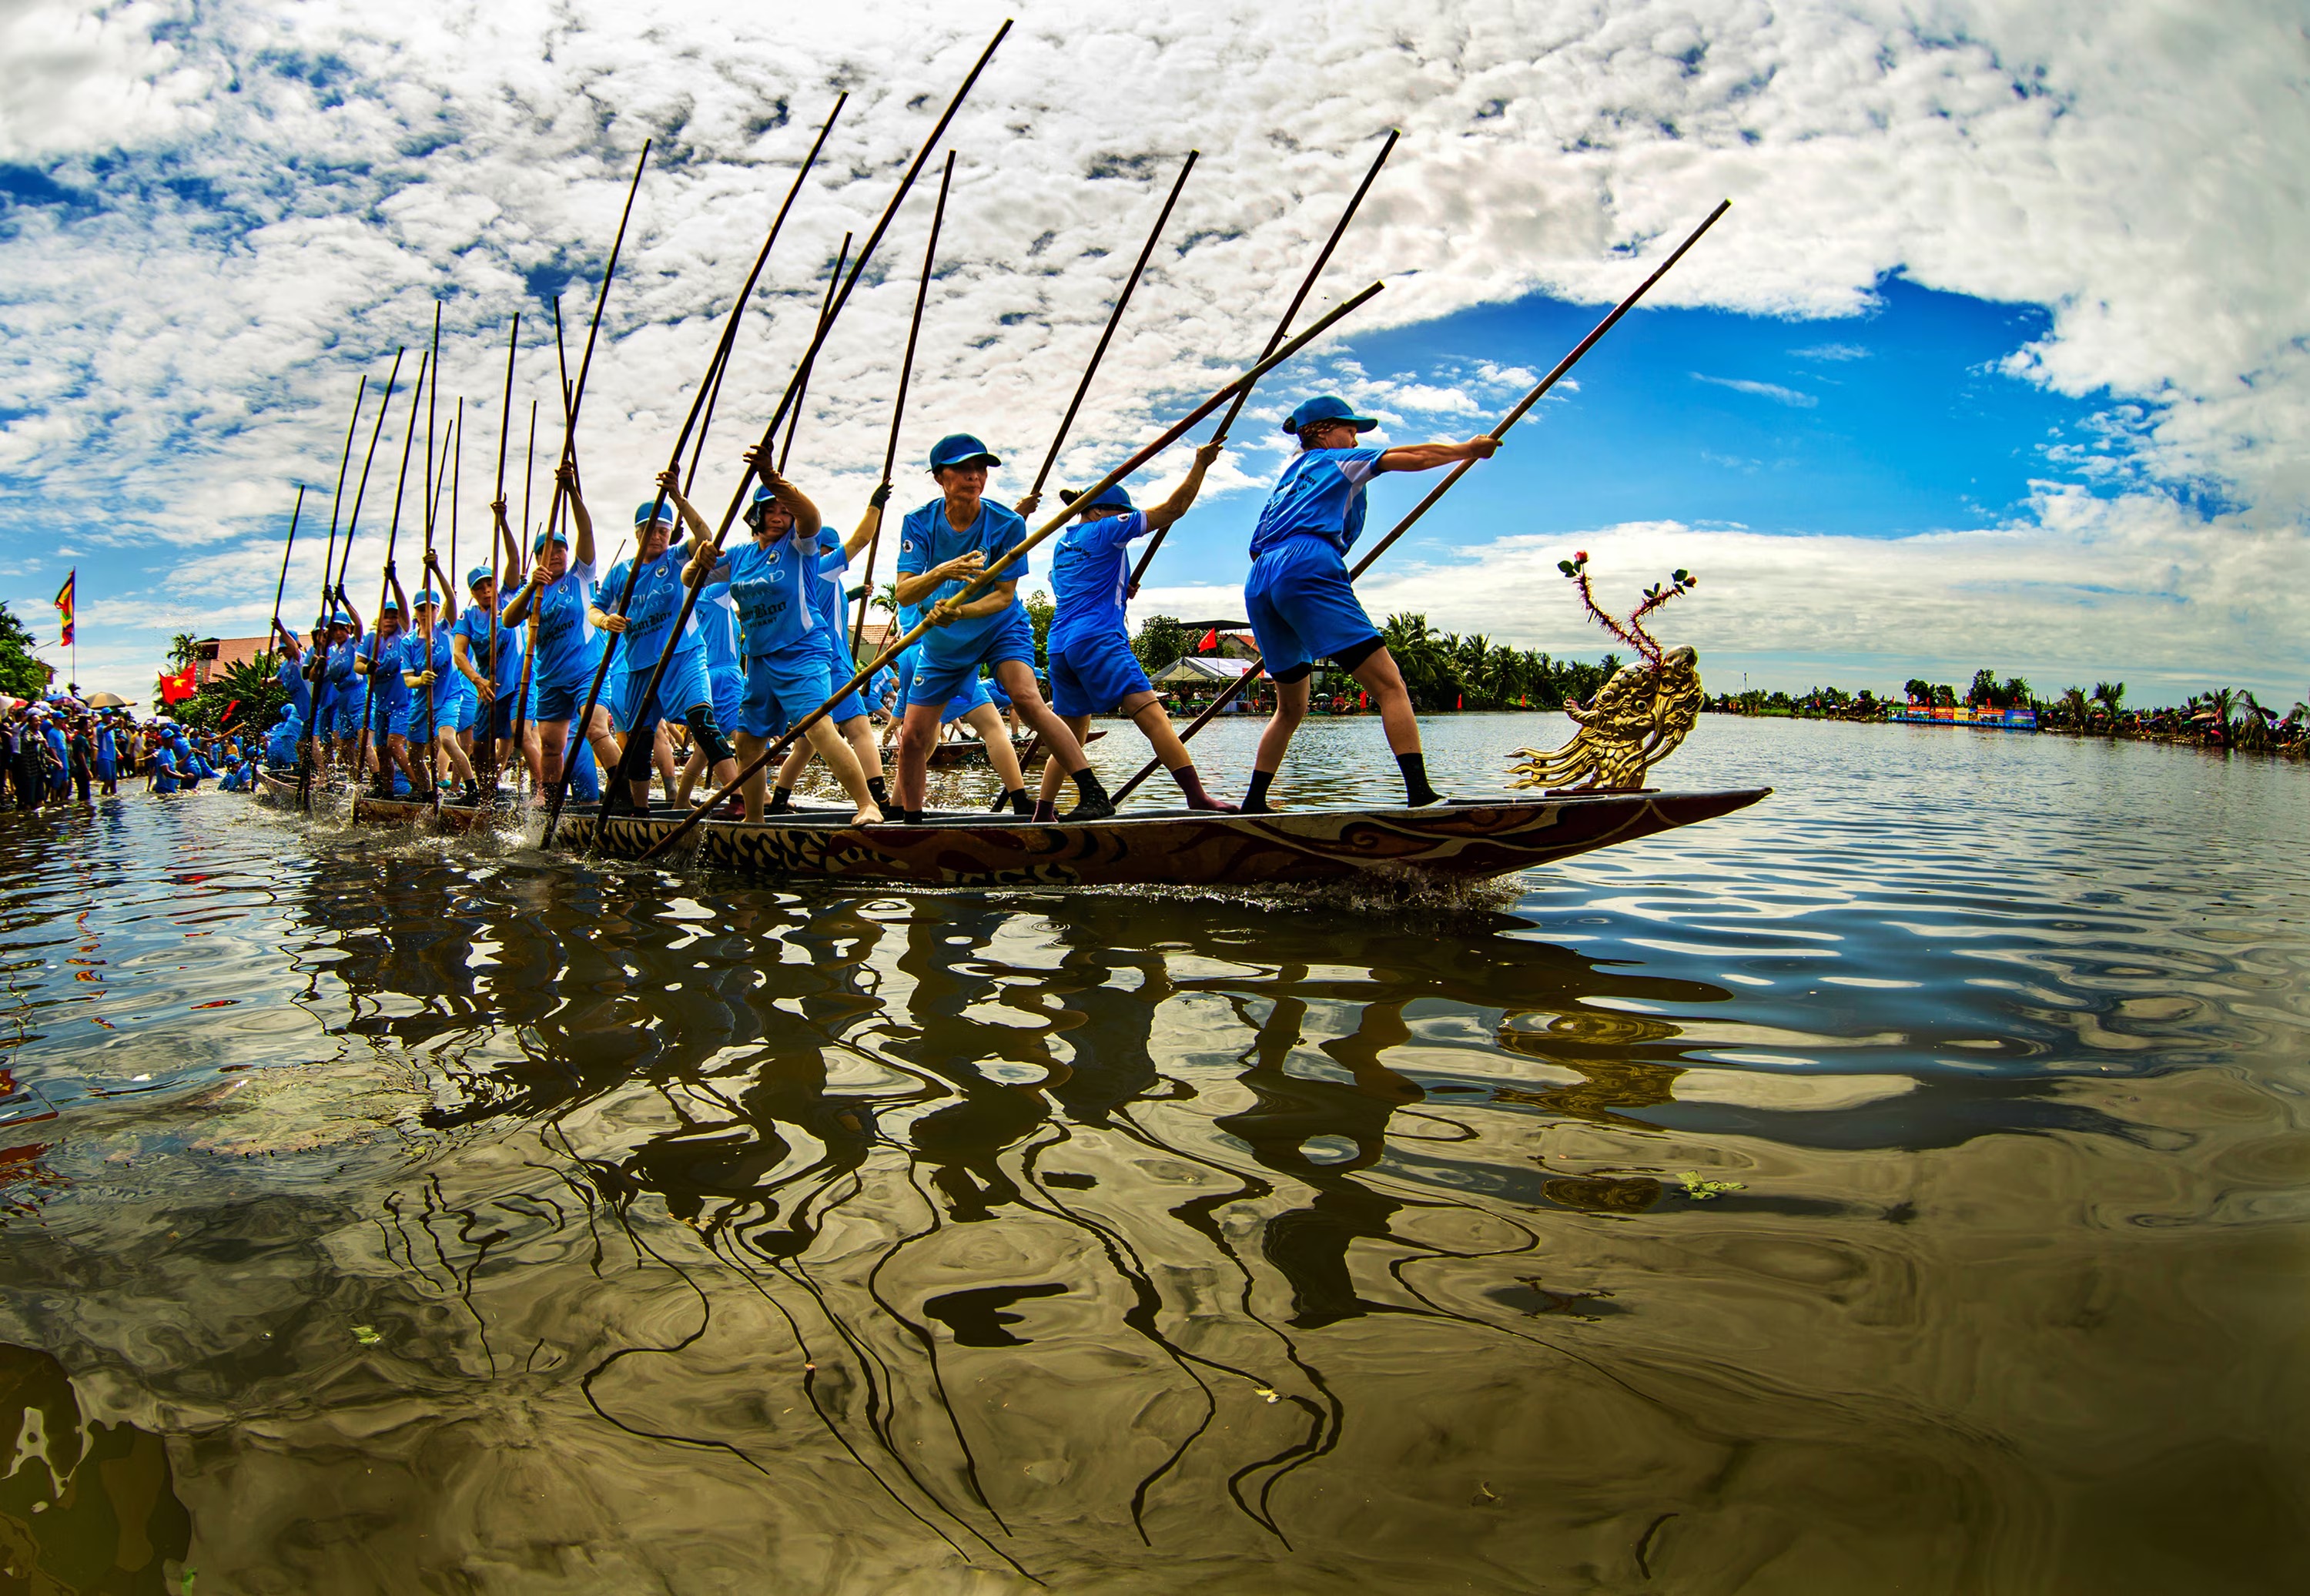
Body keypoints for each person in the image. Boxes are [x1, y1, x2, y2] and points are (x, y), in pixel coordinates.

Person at [1237, 396, 1498, 811]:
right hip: (1306, 562)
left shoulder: (1289, 474)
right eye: (1350, 429)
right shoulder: (1337, 459)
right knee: (1389, 685)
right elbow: (1410, 457)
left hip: (1260, 577)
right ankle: (1420, 795)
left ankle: (1254, 802)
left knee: (1291, 708)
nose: (1355, 438)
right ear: (1323, 431)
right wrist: (1468, 451)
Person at [894, 433, 1111, 822]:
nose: (974, 476)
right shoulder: (918, 523)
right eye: (963, 469)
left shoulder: (1008, 523)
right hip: (944, 640)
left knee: (1025, 697)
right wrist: (943, 571)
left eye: (980, 469)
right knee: (913, 737)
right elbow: (906, 592)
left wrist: (961, 612)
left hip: (999, 627)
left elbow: (1004, 597)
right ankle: (911, 823)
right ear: (940, 478)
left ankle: (1094, 793)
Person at [1033, 444, 1231, 820]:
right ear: (1099, 512)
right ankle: (1197, 797)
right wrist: (1200, 465)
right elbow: (1173, 511)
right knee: (1152, 715)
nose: (1124, 519)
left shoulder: (1063, 544)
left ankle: (1042, 812)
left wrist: (1121, 591)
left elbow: (1081, 585)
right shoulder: (1106, 529)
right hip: (1099, 639)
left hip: (1061, 645)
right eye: (1119, 512)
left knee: (1070, 735)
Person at [685, 464, 882, 825]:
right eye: (770, 509)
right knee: (747, 742)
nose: (779, 517)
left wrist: (772, 479)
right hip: (759, 658)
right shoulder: (741, 555)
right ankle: (755, 821)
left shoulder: (800, 546)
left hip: (803, 649)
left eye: (784, 511)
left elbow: (812, 516)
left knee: (816, 726)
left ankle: (868, 804)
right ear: (756, 515)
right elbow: (691, 579)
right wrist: (700, 560)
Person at [582, 469, 739, 815]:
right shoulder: (622, 571)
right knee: (638, 745)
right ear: (638, 533)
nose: (657, 536)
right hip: (639, 665)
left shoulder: (677, 557)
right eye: (650, 530)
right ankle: (641, 814)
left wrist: (678, 497)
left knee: (703, 723)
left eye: (663, 530)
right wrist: (605, 620)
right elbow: (594, 609)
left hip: (683, 655)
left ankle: (740, 798)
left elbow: (705, 537)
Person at [765, 462, 892, 815]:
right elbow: (861, 540)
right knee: (860, 729)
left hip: (804, 658)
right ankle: (878, 798)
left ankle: (777, 799)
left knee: (806, 742)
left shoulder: (804, 576)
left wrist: (855, 594)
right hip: (829, 658)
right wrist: (875, 505)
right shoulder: (820, 566)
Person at [501, 463, 623, 808]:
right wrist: (530, 587)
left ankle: (624, 795)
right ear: (537, 557)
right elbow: (509, 619)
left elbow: (586, 531)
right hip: (551, 678)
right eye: (548, 550)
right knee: (551, 745)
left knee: (595, 728)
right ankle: (551, 802)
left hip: (586, 669)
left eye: (560, 549)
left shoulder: (581, 575)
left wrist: (571, 491)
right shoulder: (536, 590)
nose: (556, 555)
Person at [406, 564, 480, 801]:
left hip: (448, 697)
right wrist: (420, 679)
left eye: (431, 608)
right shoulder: (408, 643)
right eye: (421, 609)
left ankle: (472, 789)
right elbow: (408, 680)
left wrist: (436, 568)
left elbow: (450, 597)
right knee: (414, 754)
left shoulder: (446, 629)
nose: (426, 613)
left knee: (448, 739)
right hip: (421, 702)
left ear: (438, 610)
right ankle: (428, 792)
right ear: (415, 613)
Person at [351, 570, 422, 797]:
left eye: (394, 616)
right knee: (381, 750)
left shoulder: (402, 635)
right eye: (386, 616)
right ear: (379, 619)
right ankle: (387, 790)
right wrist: (367, 668)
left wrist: (394, 581)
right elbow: (358, 666)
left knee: (394, 745)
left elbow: (403, 609)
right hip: (380, 704)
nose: (391, 620)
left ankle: (419, 786)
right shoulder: (372, 639)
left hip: (402, 703)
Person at [66, 717, 92, 803]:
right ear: (85, 726)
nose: (89, 726)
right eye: (88, 725)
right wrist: (87, 770)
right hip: (81, 770)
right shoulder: (81, 739)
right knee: (84, 795)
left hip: (80, 769)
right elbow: (81, 755)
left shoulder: (80, 738)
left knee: (83, 793)